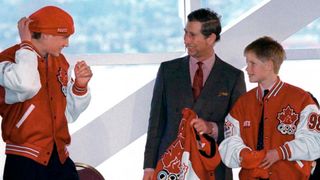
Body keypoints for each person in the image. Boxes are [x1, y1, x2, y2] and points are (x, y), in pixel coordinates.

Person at [143, 8, 246, 180]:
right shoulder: (168, 70)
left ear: (211, 38)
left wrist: (211, 128)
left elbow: (239, 128)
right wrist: (149, 167)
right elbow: (156, 123)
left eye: (192, 35)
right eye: (185, 33)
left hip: (212, 168)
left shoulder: (233, 77)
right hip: (170, 168)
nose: (186, 40)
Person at [0, 6, 92, 180]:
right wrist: (26, 44)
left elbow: (68, 115)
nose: (67, 43)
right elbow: (26, 85)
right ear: (45, 33)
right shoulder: (7, 59)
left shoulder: (60, 61)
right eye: (64, 36)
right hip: (24, 160)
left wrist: (80, 87)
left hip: (60, 159)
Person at [219, 36, 320, 180]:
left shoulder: (301, 99)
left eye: (252, 63)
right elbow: (229, 142)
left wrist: (281, 152)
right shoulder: (242, 103)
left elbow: (315, 141)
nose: (247, 68)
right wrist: (243, 154)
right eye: (247, 63)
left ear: (269, 65)